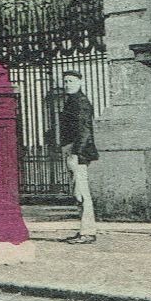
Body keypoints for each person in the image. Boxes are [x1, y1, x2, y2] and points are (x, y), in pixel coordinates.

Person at [57, 68, 100, 244]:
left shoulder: (80, 102)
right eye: (65, 81)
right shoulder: (72, 101)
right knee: (77, 192)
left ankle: (88, 232)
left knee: (81, 192)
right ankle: (84, 230)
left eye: (71, 81)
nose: (67, 85)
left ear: (80, 82)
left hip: (78, 153)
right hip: (73, 151)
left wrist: (76, 153)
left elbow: (84, 132)